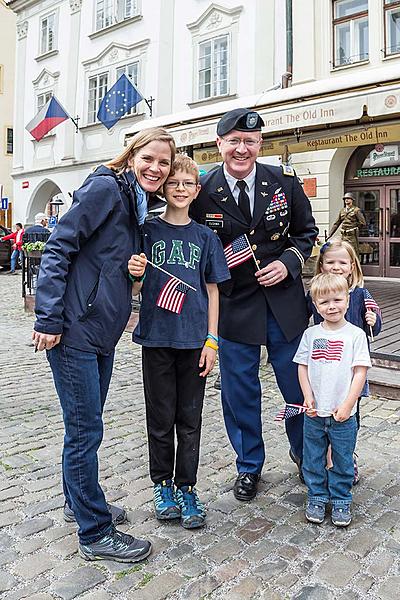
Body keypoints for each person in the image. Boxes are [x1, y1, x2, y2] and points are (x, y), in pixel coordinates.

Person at [32, 127, 176, 563]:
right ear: (131, 155)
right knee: (85, 430)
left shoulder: (135, 201)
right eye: (148, 158)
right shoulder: (106, 188)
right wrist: (48, 316)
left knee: (85, 425)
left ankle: (79, 501)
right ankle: (95, 532)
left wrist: (133, 273)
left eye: (164, 163)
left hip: (100, 330)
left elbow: (105, 262)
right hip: (75, 329)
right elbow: (58, 248)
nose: (156, 168)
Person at [190, 108, 318, 501]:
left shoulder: (283, 182)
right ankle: (249, 466)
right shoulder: (202, 189)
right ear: (219, 144)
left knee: (297, 386)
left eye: (250, 141)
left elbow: (306, 232)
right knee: (239, 392)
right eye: (234, 141)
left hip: (284, 305)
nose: (242, 149)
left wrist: (287, 263)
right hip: (233, 306)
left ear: (260, 144)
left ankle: (306, 454)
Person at [128, 155, 230, 529]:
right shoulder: (148, 231)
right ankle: (162, 485)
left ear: (197, 190)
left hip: (194, 341)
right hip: (157, 338)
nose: (181, 189)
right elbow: (137, 286)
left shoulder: (205, 237)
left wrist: (212, 340)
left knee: (190, 419)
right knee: (159, 418)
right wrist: (135, 274)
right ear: (164, 188)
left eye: (188, 184)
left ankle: (187, 486)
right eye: (174, 183)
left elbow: (212, 290)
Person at [294, 273, 371, 527]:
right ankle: (317, 495)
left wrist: (349, 404)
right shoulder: (311, 334)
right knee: (313, 457)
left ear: (348, 301)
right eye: (324, 302)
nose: (332, 306)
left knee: (342, 458)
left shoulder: (355, 335)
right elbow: (302, 367)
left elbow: (360, 371)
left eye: (337, 299)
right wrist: (307, 396)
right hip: (315, 413)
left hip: (342, 413)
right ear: (316, 305)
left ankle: (340, 498)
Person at [310, 239, 382, 483]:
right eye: (331, 262)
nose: (336, 266)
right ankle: (327, 455)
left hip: (352, 371)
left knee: (350, 415)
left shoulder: (361, 294)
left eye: (342, 262)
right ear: (322, 266)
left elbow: (375, 325)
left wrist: (374, 319)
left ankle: (346, 456)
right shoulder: (319, 294)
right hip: (326, 367)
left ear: (352, 266)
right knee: (324, 413)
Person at [329, 192, 366, 257]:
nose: (346, 200)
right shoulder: (342, 211)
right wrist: (330, 234)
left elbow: (362, 223)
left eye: (348, 198)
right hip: (343, 236)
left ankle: (354, 266)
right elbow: (336, 224)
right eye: (345, 199)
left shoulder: (356, 210)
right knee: (343, 252)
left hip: (352, 236)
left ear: (352, 200)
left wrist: (355, 228)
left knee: (353, 253)